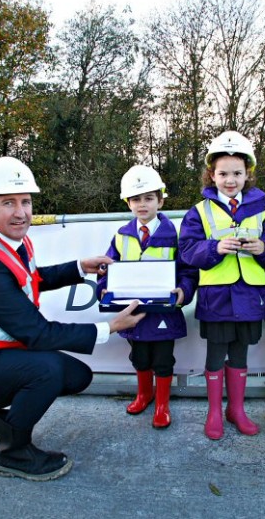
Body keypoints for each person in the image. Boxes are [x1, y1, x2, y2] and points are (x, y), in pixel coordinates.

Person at [0, 156, 144, 482]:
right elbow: (38, 334)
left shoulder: (9, 239)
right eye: (8, 203)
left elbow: (29, 278)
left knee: (76, 375)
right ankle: (13, 453)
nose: (21, 212)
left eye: (26, 201)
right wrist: (111, 327)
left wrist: (78, 268)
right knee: (49, 371)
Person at [179, 131, 265, 440]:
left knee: (240, 355)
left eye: (237, 173)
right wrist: (214, 248)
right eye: (223, 173)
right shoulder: (199, 211)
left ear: (247, 173)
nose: (230, 179)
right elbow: (187, 250)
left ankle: (235, 410)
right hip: (217, 298)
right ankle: (214, 412)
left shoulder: (262, 208)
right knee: (215, 355)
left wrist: (263, 247)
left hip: (251, 297)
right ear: (212, 174)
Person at [96, 165, 197, 429]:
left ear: (160, 201)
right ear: (128, 203)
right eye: (136, 199)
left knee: (163, 360)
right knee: (139, 357)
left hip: (164, 312)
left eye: (149, 198)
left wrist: (183, 291)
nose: (142, 204)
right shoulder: (121, 235)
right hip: (134, 313)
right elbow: (107, 268)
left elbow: (187, 269)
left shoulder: (175, 234)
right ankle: (144, 394)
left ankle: (162, 404)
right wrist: (104, 287)